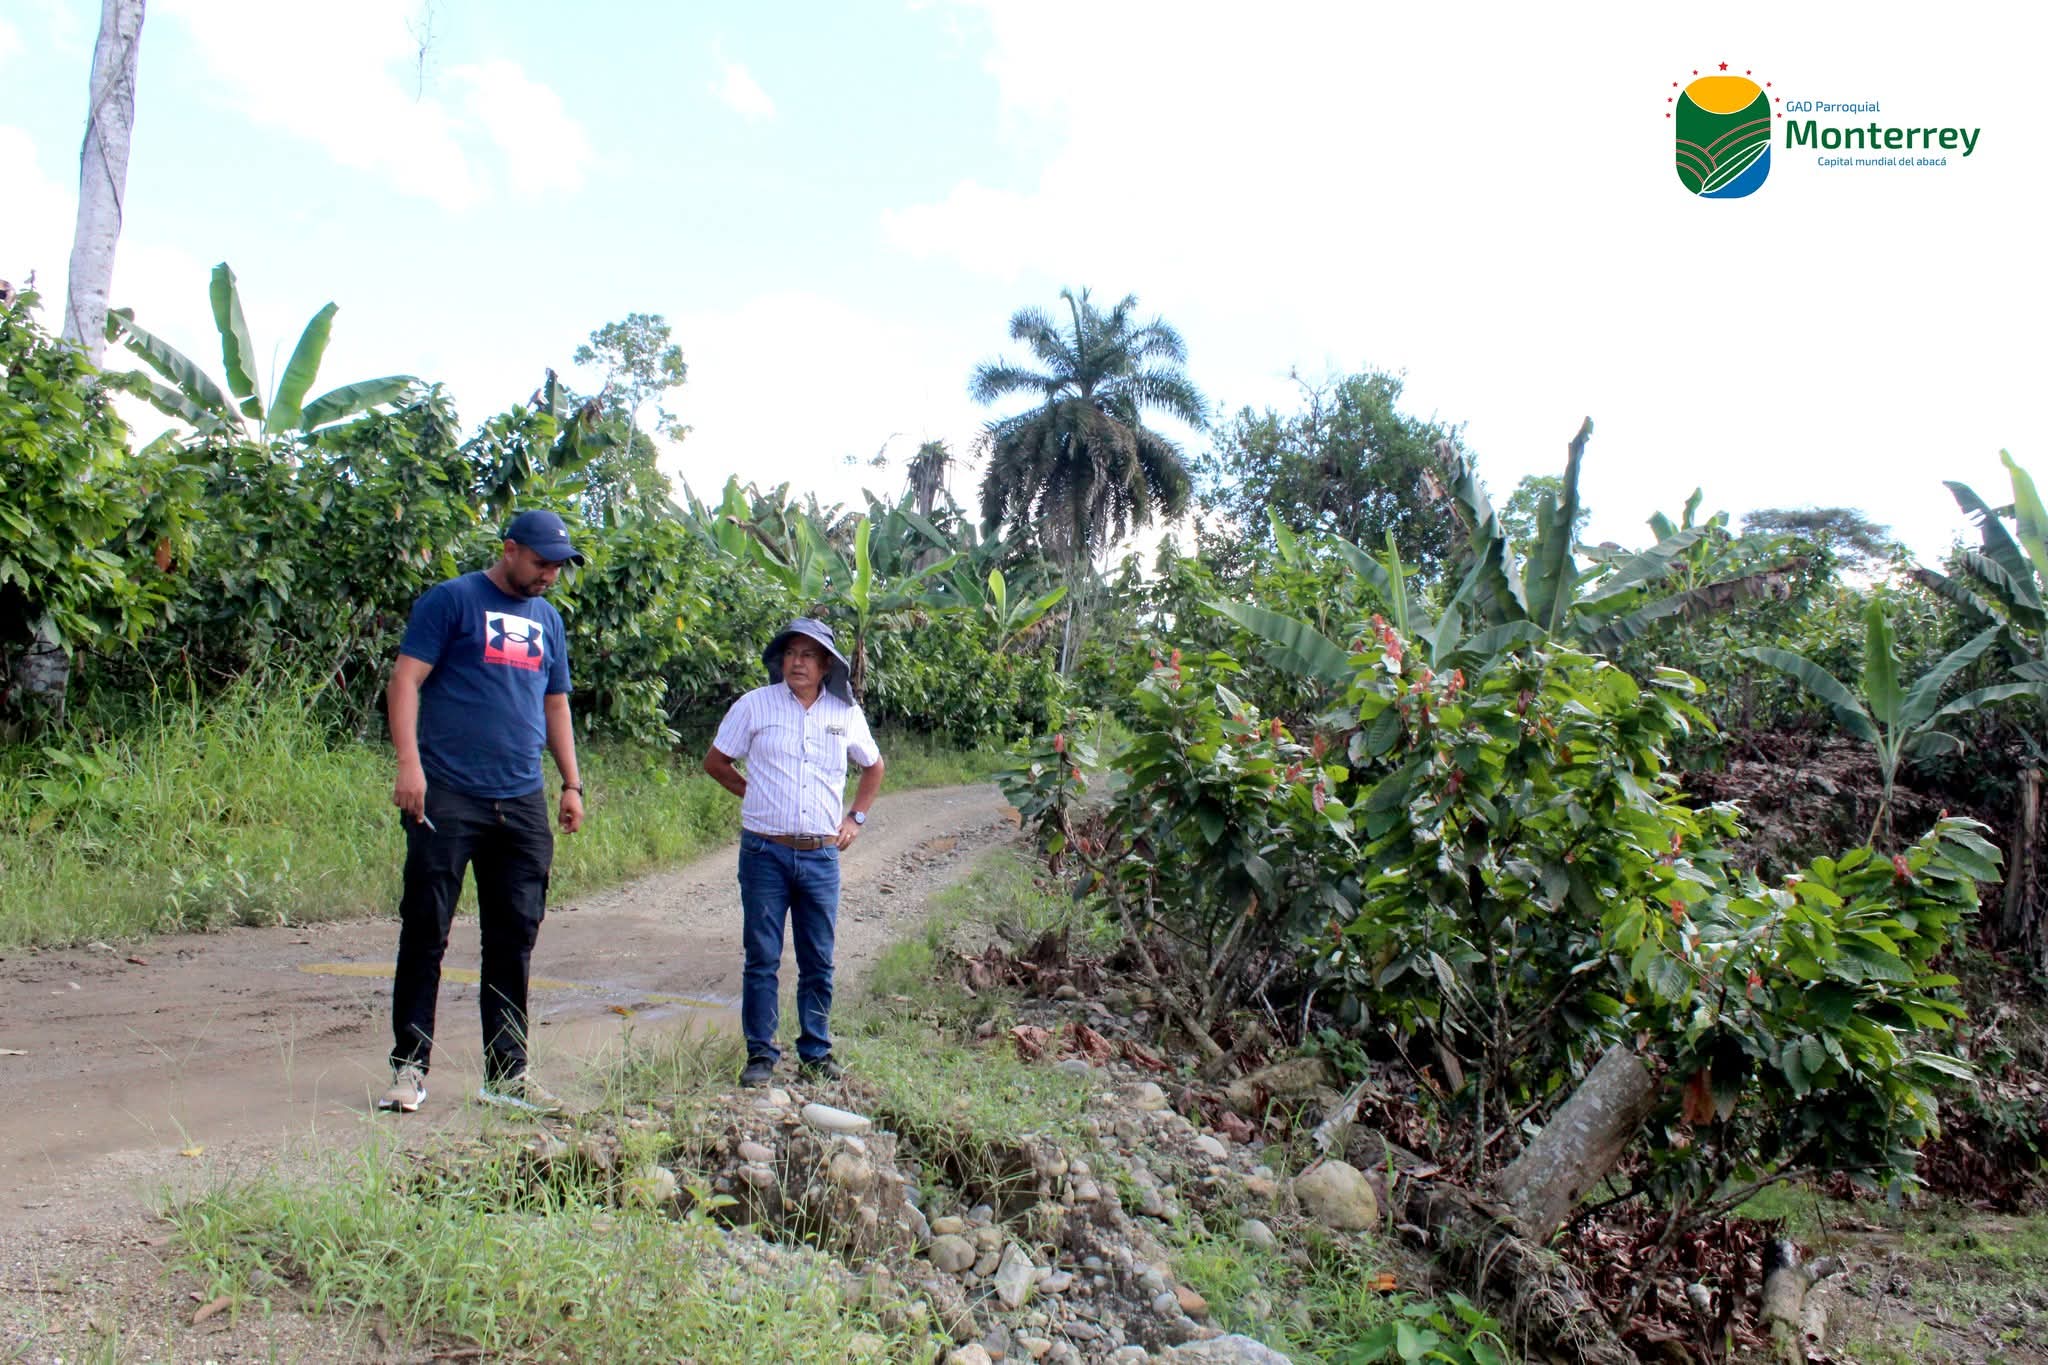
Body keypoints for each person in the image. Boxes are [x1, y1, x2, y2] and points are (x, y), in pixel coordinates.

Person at [377, 509, 587, 1115]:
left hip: (520, 800)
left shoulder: (548, 621)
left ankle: (507, 1075)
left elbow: (555, 705)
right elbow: (405, 681)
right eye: (541, 562)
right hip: (447, 793)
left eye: (558, 566)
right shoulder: (452, 601)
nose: (549, 575)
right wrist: (409, 765)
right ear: (510, 549)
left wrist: (571, 783)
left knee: (513, 938)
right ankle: (409, 1069)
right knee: (426, 930)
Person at [704, 619, 884, 1086]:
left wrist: (855, 818)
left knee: (818, 959)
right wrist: (753, 791)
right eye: (790, 653)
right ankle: (761, 1055)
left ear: (826, 665)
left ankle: (816, 1052)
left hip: (821, 856)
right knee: (762, 956)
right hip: (764, 852)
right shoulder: (754, 705)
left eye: (808, 655)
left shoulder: (845, 713)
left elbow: (873, 766)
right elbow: (716, 761)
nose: (797, 662)